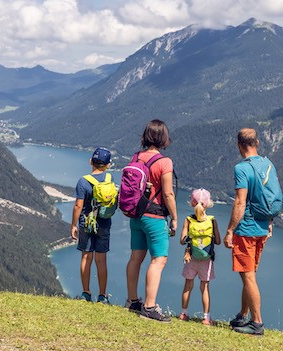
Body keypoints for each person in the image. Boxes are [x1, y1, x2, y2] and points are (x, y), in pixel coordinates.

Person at [125, 119, 179, 322]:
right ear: (164, 138)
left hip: (136, 216)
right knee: (158, 260)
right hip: (155, 217)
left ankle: (132, 301)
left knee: (135, 258)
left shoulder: (136, 157)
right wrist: (174, 217)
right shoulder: (164, 162)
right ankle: (149, 306)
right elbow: (168, 194)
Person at [224, 128, 276, 335]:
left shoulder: (241, 169)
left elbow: (240, 202)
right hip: (263, 227)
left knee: (248, 277)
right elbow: (270, 196)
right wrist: (270, 221)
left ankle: (257, 323)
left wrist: (229, 230)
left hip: (246, 229)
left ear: (239, 145)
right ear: (258, 142)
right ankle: (243, 315)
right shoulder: (268, 164)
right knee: (250, 275)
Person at [70, 147, 114, 304]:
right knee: (101, 261)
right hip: (104, 223)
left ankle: (86, 293)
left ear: (90, 162)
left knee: (86, 258)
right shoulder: (110, 178)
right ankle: (102, 296)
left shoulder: (83, 181)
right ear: (108, 165)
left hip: (87, 223)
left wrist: (73, 225)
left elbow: (78, 206)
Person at [178, 188, 221, 326]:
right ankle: (206, 318)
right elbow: (218, 241)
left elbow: (182, 240)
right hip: (206, 259)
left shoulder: (188, 220)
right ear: (207, 204)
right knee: (205, 288)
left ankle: (183, 314)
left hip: (191, 258)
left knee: (188, 286)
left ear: (192, 203)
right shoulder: (212, 221)